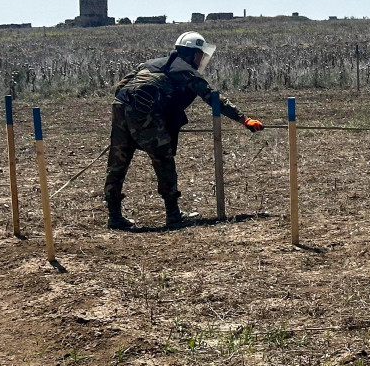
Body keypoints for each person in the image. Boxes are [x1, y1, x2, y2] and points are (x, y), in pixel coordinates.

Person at [104, 32, 263, 229]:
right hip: (146, 113)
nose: (202, 59)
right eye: (200, 54)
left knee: (118, 161)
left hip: (120, 106)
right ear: (192, 54)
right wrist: (244, 120)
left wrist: (128, 117)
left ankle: (114, 216)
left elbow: (121, 86)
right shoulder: (187, 72)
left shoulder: (150, 64)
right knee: (163, 159)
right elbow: (213, 98)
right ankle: (173, 215)